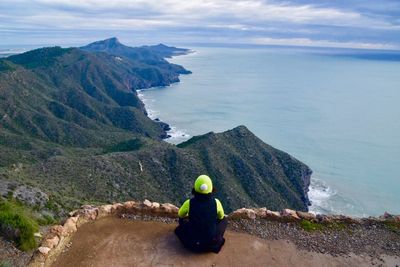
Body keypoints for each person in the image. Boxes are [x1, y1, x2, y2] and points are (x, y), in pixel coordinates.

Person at [174, 174, 227, 253]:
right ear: (211, 188)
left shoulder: (189, 203)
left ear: (195, 188)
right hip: (210, 245)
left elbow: (180, 214)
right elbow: (221, 216)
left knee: (183, 221)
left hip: (192, 244)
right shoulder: (216, 202)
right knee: (224, 220)